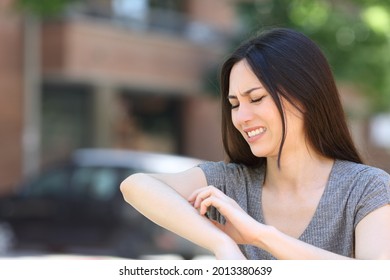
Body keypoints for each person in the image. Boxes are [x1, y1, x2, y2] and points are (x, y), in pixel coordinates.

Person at [120, 28, 390, 259]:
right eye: (235, 104)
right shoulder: (232, 184)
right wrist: (222, 243)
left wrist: (261, 236)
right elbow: (135, 185)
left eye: (257, 98)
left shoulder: (365, 189)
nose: (242, 117)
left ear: (305, 96)